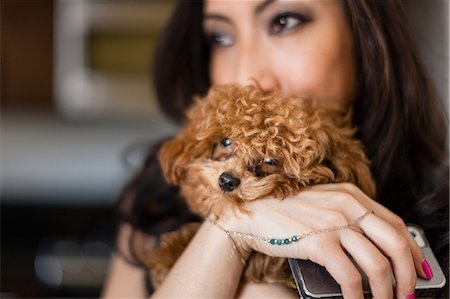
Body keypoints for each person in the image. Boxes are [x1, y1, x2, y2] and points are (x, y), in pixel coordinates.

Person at [101, 0, 449, 298]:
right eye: (220, 37)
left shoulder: (441, 218)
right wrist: (226, 233)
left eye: (284, 22)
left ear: (365, 33)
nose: (246, 74)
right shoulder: (156, 200)